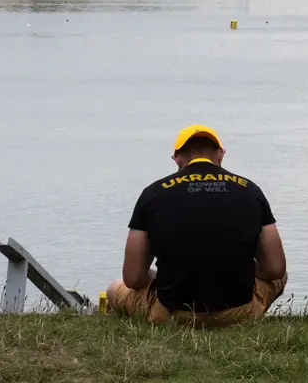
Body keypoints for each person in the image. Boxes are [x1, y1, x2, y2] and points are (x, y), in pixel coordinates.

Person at [106, 124, 285, 327]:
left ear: (176, 157)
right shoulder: (251, 191)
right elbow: (275, 268)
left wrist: (171, 276)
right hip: (238, 312)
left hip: (171, 314)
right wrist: (235, 269)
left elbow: (132, 277)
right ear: (221, 155)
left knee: (115, 289)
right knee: (281, 277)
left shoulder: (152, 194)